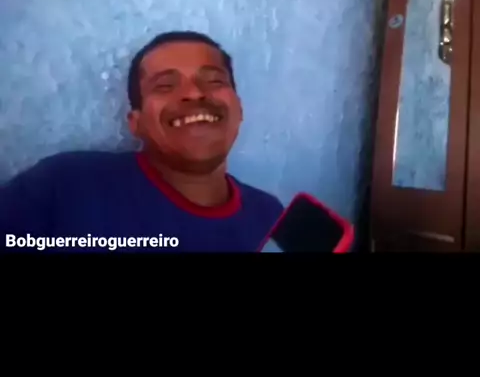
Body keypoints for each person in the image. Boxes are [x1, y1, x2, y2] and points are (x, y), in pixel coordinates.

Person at [0, 31, 284, 252]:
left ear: (239, 109)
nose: (195, 93)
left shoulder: (270, 216)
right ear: (136, 123)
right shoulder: (64, 187)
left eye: (214, 81)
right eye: (165, 85)